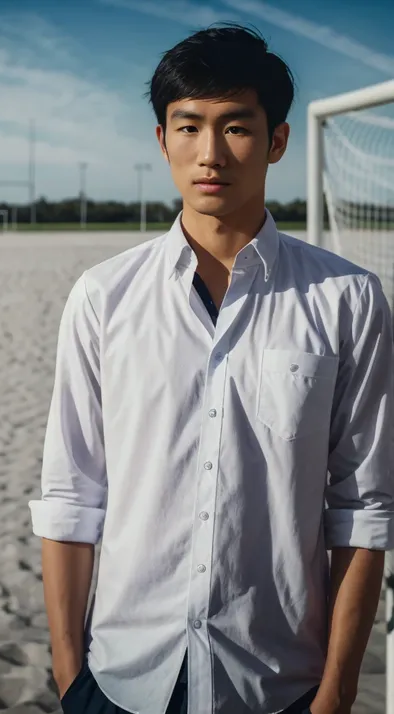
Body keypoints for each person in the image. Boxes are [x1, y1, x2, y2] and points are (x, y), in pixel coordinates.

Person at [28, 23, 394, 714]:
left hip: (281, 685)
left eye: (235, 127)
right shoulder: (103, 298)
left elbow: (363, 508)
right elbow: (72, 497)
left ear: (277, 140)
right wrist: (70, 674)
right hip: (121, 681)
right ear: (162, 140)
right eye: (188, 126)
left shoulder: (348, 300)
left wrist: (338, 691)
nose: (209, 153)